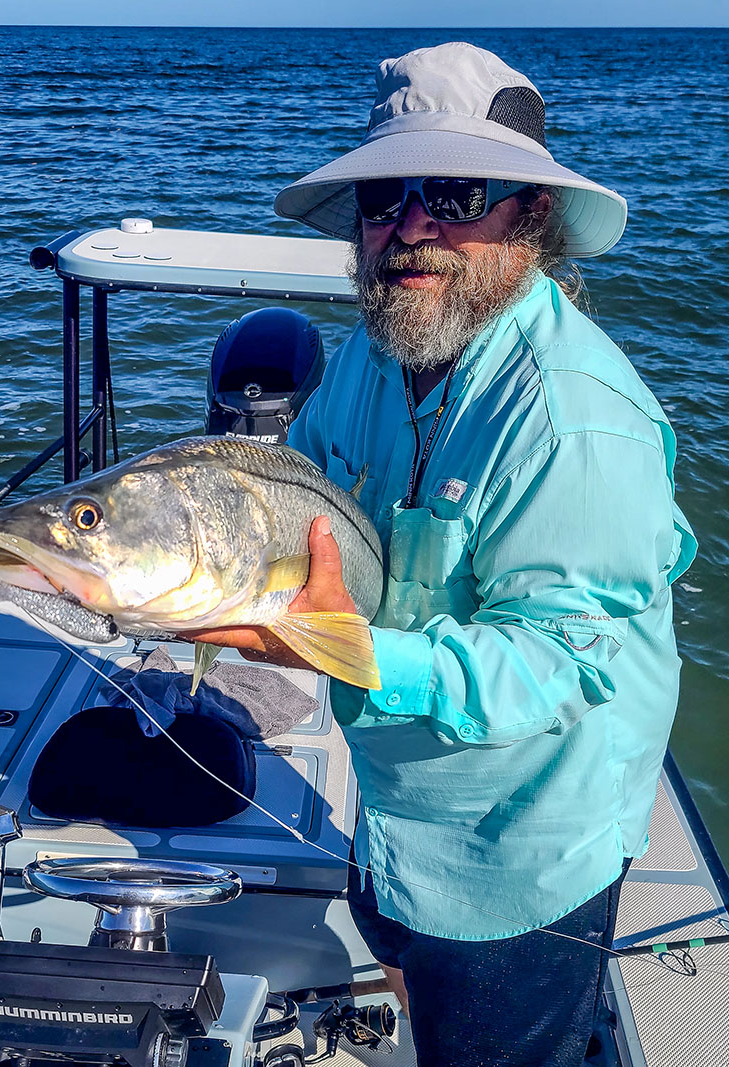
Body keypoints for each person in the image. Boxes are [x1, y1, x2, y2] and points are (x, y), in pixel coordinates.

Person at [186, 42, 697, 1066]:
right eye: (384, 196)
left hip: (516, 853)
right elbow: (310, 494)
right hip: (392, 802)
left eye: (454, 192)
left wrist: (342, 648)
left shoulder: (572, 421)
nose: (409, 227)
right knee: (401, 961)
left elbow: (561, 663)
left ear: (530, 220)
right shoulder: (375, 356)